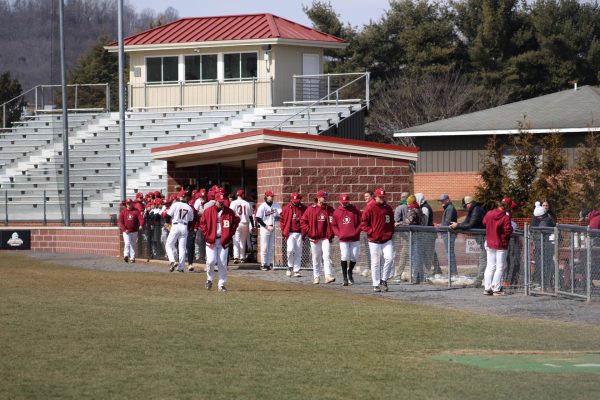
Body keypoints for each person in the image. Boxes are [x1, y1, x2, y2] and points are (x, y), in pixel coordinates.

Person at [200, 193, 240, 292]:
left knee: (222, 263)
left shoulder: (229, 212)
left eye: (222, 202)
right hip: (211, 241)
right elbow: (202, 223)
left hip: (223, 241)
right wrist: (207, 235)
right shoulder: (208, 211)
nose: (221, 203)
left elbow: (235, 223)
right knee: (211, 261)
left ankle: (221, 284)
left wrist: (230, 235)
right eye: (219, 202)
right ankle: (209, 279)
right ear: (215, 201)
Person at [360, 188, 395, 292]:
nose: (382, 199)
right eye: (380, 197)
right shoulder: (370, 207)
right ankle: (375, 283)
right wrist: (371, 231)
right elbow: (363, 223)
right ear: (375, 197)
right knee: (375, 262)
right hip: (374, 239)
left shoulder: (388, 208)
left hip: (386, 238)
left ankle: (384, 279)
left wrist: (390, 232)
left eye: (383, 197)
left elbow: (391, 221)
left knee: (389, 258)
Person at [301, 190, 336, 284]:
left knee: (327, 255)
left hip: (325, 237)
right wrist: (309, 231)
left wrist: (331, 233)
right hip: (314, 237)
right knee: (316, 257)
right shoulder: (311, 209)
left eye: (326, 197)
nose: (325, 199)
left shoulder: (329, 209)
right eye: (323, 197)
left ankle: (328, 275)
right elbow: (303, 221)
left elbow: (334, 221)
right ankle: (316, 276)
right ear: (318, 198)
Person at [450, 196, 487, 285]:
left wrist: (458, 226)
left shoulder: (476, 209)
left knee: (484, 259)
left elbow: (470, 224)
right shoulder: (473, 210)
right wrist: (458, 225)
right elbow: (466, 222)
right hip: (482, 237)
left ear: (469, 204)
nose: (465, 208)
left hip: (484, 237)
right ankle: (482, 280)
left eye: (465, 206)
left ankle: (479, 281)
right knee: (484, 259)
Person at [482, 199, 513, 295]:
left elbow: (484, 222)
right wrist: (512, 228)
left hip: (490, 242)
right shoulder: (505, 217)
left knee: (490, 266)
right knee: (500, 267)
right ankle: (496, 288)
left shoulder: (489, 213)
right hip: (500, 243)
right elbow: (508, 230)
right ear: (506, 206)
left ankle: (487, 288)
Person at [331, 193, 362, 286]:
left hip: (354, 238)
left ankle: (350, 271)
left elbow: (361, 222)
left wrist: (356, 232)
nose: (344, 203)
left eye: (346, 202)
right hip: (343, 238)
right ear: (340, 201)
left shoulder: (354, 209)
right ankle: (345, 278)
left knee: (354, 257)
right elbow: (334, 225)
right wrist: (339, 234)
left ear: (349, 201)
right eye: (343, 202)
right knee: (344, 256)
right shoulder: (337, 212)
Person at [165, 191, 195, 272]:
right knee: (182, 248)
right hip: (184, 226)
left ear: (179, 197)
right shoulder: (189, 207)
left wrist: (167, 223)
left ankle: (172, 261)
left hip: (175, 225)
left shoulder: (175, 204)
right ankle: (181, 267)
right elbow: (191, 221)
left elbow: (168, 216)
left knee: (168, 245)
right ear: (186, 197)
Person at [280, 192, 306, 277]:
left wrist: (305, 231)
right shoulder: (286, 208)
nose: (295, 202)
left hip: (299, 232)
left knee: (298, 251)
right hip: (290, 232)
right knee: (290, 250)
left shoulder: (303, 208)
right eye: (294, 200)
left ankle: (296, 270)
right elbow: (282, 220)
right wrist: (284, 230)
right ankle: (290, 266)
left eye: (297, 200)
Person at [531, 201, 556, 289]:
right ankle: (544, 283)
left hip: (544, 245)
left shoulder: (544, 221)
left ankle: (544, 284)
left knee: (543, 264)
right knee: (544, 264)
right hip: (543, 244)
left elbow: (542, 230)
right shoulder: (547, 218)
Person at [255, 190, 282, 271]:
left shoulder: (276, 205)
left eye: (273, 196)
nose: (272, 197)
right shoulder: (262, 206)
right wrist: (266, 226)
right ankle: (263, 264)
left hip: (273, 227)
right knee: (264, 247)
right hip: (265, 228)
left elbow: (281, 214)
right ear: (266, 196)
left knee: (271, 247)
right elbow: (258, 218)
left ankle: (268, 263)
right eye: (271, 196)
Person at [415, 193, 441, 276]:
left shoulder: (425, 208)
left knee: (429, 252)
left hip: (428, 235)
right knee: (432, 252)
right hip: (428, 235)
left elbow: (425, 223)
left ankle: (430, 270)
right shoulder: (424, 207)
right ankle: (437, 269)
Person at [229, 189, 254, 264]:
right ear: (243, 195)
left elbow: (230, 214)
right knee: (243, 241)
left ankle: (236, 257)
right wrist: (252, 225)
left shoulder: (233, 202)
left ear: (237, 195)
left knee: (236, 240)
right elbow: (250, 216)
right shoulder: (247, 203)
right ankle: (242, 257)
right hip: (245, 223)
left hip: (236, 223)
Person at [404, 194, 424, 283]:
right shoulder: (419, 208)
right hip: (419, 234)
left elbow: (409, 221)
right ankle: (419, 276)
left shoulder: (412, 210)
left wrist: (400, 222)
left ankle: (416, 277)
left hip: (414, 235)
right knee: (417, 255)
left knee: (415, 256)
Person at [118, 198, 144, 263]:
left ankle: (132, 257)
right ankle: (126, 255)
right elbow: (120, 222)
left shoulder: (136, 211)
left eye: (130, 203)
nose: (129, 205)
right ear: (126, 204)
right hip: (126, 231)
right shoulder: (123, 212)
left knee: (133, 244)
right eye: (128, 204)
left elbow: (141, 218)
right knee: (127, 243)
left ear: (132, 203)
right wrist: (124, 229)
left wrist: (141, 225)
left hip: (134, 231)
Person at [391, 192, 409, 282]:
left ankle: (398, 275)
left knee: (404, 254)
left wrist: (400, 223)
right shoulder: (413, 207)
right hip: (415, 233)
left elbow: (396, 221)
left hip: (405, 234)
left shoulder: (399, 208)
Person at [438, 194, 458, 275]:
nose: (441, 202)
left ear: (447, 200)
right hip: (447, 233)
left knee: (450, 253)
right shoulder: (448, 208)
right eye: (440, 201)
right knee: (449, 252)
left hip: (449, 233)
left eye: (443, 200)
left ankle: (453, 272)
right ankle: (452, 271)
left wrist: (440, 227)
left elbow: (447, 222)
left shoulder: (450, 208)